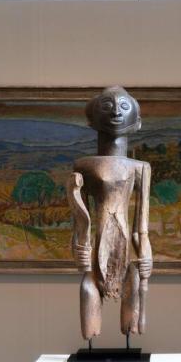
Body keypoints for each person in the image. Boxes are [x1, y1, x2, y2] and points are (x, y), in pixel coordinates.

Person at [68, 87, 153, 340]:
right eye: (107, 106)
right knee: (89, 305)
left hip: (126, 252)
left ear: (137, 121)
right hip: (95, 254)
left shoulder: (140, 168)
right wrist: (79, 249)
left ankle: (130, 327)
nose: (116, 112)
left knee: (131, 316)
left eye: (124, 107)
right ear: (92, 119)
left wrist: (147, 255)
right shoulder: (84, 165)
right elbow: (79, 218)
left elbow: (141, 227)